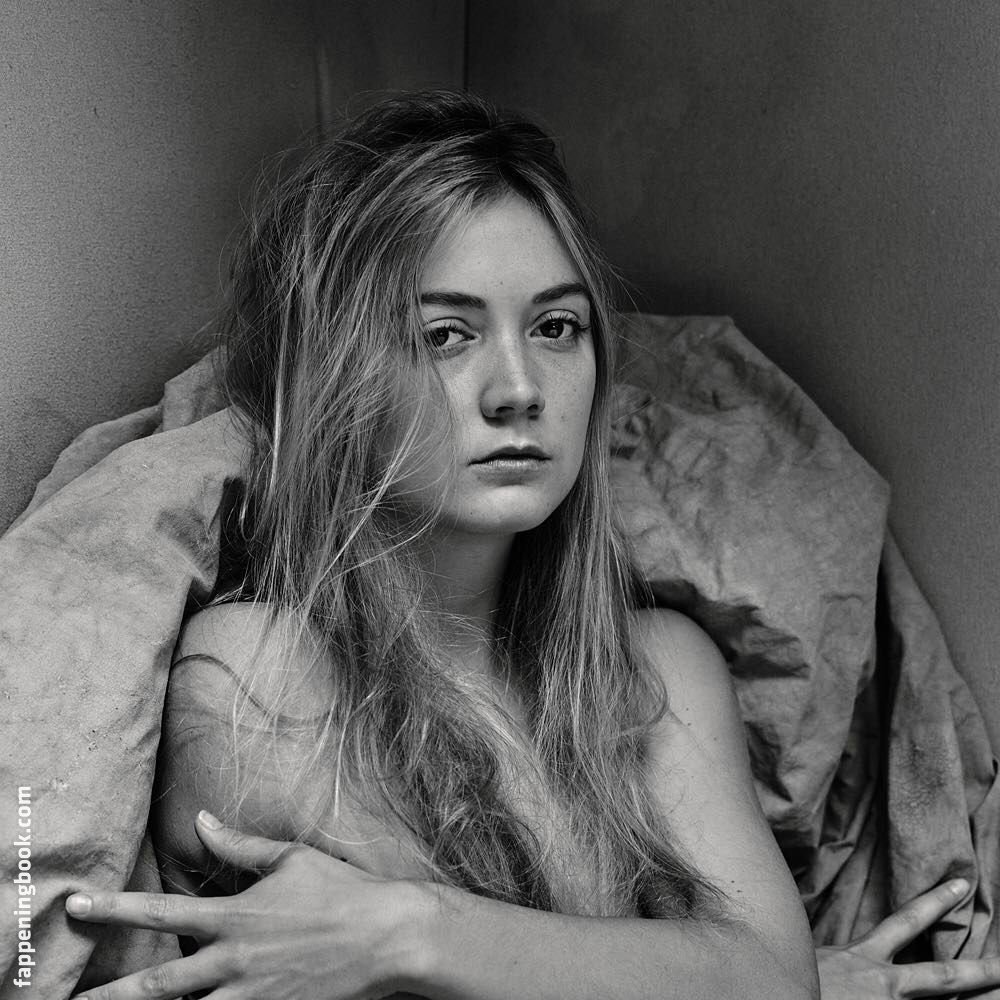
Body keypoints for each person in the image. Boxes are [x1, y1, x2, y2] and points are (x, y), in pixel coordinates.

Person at [62, 91, 998, 1000]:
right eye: (445, 334)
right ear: (332, 379)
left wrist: (409, 930)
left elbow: (770, 978)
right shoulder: (254, 676)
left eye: (556, 327)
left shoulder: (661, 669)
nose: (518, 388)